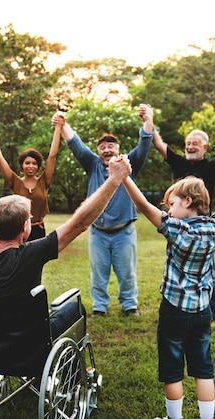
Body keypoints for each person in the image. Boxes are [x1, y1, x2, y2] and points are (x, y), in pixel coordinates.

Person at [0, 132, 133, 336]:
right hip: (29, 339)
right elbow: (80, 223)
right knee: (76, 309)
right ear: (26, 227)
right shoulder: (32, 253)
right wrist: (114, 179)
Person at [121, 149, 215, 419]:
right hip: (203, 310)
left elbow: (143, 205)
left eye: (171, 203)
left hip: (174, 310)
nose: (169, 209)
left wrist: (124, 177)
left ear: (187, 201)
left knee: (172, 367)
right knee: (203, 366)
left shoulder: (177, 229)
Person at [53, 104, 154, 317]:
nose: (107, 149)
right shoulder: (92, 165)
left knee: (127, 273)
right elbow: (75, 144)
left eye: (111, 146)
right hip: (97, 232)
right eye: (103, 147)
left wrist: (148, 120)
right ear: (99, 152)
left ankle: (129, 305)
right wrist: (64, 124)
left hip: (124, 232)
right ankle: (100, 307)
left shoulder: (129, 164)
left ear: (118, 149)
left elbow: (145, 143)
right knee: (98, 273)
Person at [152, 128, 215, 326]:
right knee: (181, 266)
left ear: (205, 147)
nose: (190, 146)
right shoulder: (180, 163)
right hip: (179, 226)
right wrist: (148, 122)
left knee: (210, 271)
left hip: (202, 228)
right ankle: (189, 305)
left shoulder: (211, 167)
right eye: (188, 143)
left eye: (195, 143)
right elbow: (159, 145)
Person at [0, 118, 61, 240]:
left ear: (38, 166)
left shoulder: (44, 181)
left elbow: (52, 156)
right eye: (27, 163)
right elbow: (0, 159)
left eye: (34, 163)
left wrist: (58, 129)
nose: (31, 166)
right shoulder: (14, 181)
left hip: (38, 230)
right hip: (17, 230)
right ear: (22, 165)